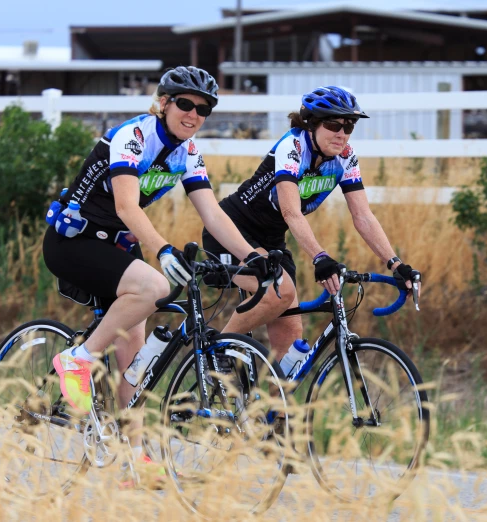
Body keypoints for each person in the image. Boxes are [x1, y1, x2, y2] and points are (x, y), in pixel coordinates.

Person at [42, 66, 270, 465]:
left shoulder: (188, 152)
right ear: (163, 103)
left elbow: (213, 215)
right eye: (185, 104)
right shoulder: (134, 136)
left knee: (135, 357)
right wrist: (164, 249)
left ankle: (133, 457)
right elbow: (125, 205)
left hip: (114, 245)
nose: (194, 114)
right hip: (73, 241)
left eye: (204, 109)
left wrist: (252, 256)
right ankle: (77, 360)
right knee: (154, 288)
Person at [202, 85, 421, 365]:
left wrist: (395, 264)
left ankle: (270, 409)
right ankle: (216, 353)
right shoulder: (293, 147)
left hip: (271, 240)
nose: (342, 133)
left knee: (291, 346)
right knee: (277, 291)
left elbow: (363, 216)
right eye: (333, 124)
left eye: (349, 126)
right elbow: (291, 212)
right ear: (312, 124)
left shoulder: (345, 158)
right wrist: (320, 257)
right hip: (231, 230)